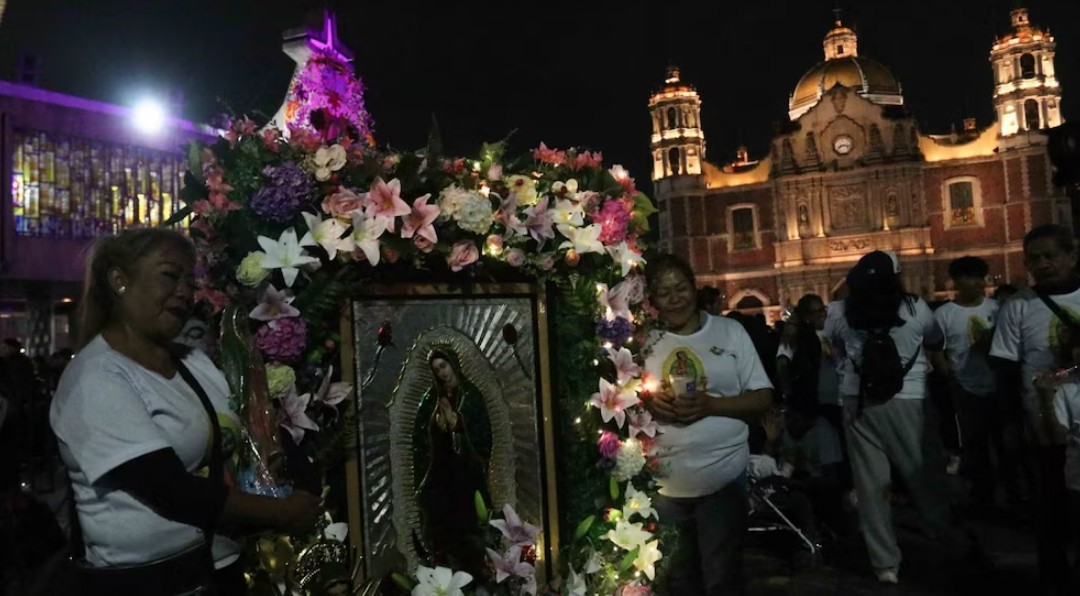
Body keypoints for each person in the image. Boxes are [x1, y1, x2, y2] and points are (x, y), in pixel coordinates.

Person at [49, 228, 321, 595]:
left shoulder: (194, 363)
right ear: (119, 281)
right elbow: (169, 488)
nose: (183, 292)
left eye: (190, 282)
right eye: (169, 276)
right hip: (147, 584)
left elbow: (254, 428)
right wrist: (285, 513)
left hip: (219, 569)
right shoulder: (95, 379)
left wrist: (304, 481)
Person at [643, 254, 773, 595]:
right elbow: (626, 397)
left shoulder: (730, 332)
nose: (674, 299)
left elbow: (762, 397)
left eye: (681, 288)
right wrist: (649, 402)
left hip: (722, 479)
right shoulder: (644, 341)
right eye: (663, 292)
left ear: (695, 288)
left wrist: (711, 405)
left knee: (722, 578)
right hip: (664, 485)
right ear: (652, 299)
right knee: (677, 580)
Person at [828, 250, 958, 585]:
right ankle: (943, 535)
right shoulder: (914, 308)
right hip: (909, 399)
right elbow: (935, 340)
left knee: (870, 485)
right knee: (923, 476)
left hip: (857, 402)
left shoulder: (839, 311)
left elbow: (834, 346)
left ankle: (885, 564)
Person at [990, 224, 1080, 595]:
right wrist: (1011, 423)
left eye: (1049, 256)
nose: (1042, 264)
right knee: (1050, 506)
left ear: (1072, 256)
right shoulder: (1017, 307)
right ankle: (1054, 577)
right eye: (1033, 259)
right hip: (1044, 424)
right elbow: (1006, 370)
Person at [932, 256, 1006, 514]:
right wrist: (950, 376)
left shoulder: (998, 309)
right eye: (968, 277)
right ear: (955, 282)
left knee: (1005, 444)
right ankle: (983, 497)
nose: (975, 283)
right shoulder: (944, 314)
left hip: (998, 385)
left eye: (978, 277)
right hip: (965, 388)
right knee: (975, 445)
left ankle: (1012, 494)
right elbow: (937, 351)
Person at [412, 346, 493, 579]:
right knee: (441, 517)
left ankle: (477, 569)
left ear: (453, 364)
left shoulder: (471, 395)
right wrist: (437, 426)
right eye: (437, 370)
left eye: (443, 366)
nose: (442, 373)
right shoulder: (432, 400)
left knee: (468, 519)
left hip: (466, 471)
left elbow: (482, 432)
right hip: (443, 471)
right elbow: (421, 438)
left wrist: (458, 424)